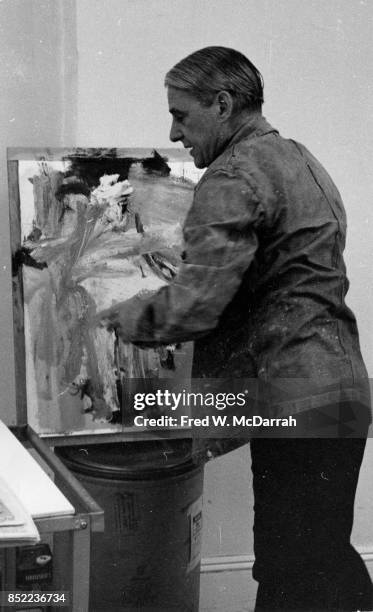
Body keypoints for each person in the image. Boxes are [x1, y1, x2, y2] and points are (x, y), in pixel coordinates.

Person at [99, 47, 373, 611]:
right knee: (321, 559)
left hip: (295, 398)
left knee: (292, 572)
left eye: (181, 115)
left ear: (222, 104)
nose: (174, 134)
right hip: (342, 389)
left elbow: (195, 307)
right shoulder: (299, 159)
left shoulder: (233, 174)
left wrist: (124, 315)